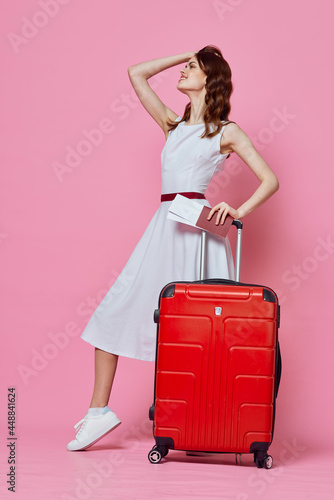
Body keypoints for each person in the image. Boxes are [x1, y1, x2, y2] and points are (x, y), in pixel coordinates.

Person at [66, 45, 279, 451]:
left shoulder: (226, 131)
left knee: (199, 329)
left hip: (199, 232)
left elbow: (270, 180)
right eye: (184, 66)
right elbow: (135, 73)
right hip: (164, 225)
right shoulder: (172, 124)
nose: (182, 72)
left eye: (191, 68)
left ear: (210, 78)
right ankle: (98, 413)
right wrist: (185, 52)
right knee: (116, 311)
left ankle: (198, 420)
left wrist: (238, 210)